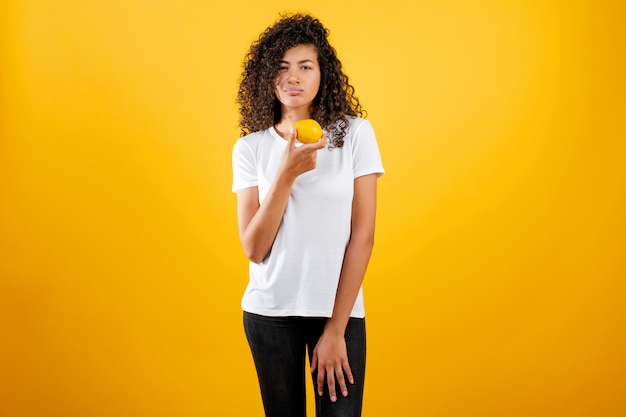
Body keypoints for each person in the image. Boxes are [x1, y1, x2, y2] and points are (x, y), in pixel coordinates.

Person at [231, 13, 384, 417]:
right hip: (270, 314)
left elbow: (363, 235)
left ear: (323, 74)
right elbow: (254, 247)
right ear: (267, 76)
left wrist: (336, 329)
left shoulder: (355, 135)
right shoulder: (249, 148)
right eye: (281, 68)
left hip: (338, 312)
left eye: (304, 66)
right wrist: (285, 174)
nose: (293, 77)